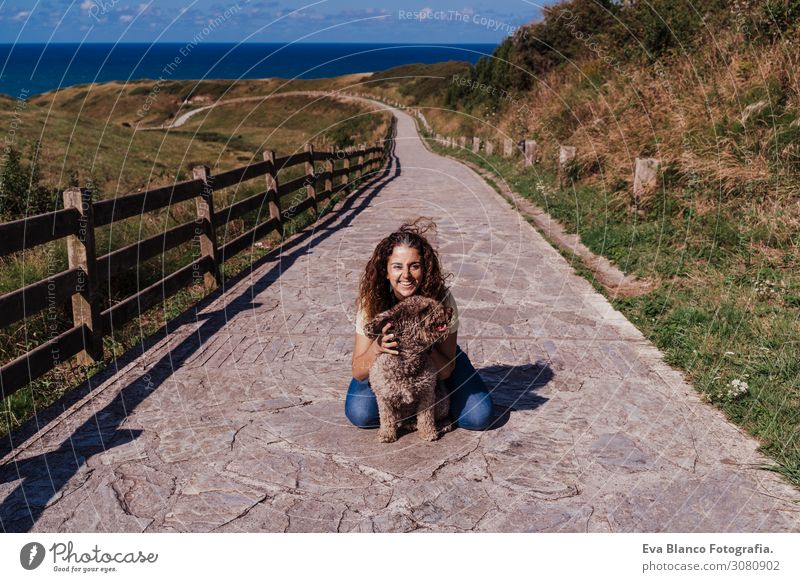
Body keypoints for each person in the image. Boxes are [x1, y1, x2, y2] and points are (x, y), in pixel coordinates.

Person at [345, 217, 494, 431]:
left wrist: (426, 346)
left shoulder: (441, 300)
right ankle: (416, 407)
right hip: (387, 363)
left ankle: (437, 402)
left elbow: (446, 370)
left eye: (414, 266)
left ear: (424, 269)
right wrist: (377, 348)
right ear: (386, 272)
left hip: (436, 357)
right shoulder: (371, 302)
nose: (405, 275)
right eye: (397, 267)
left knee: (478, 417)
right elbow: (359, 372)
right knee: (361, 414)